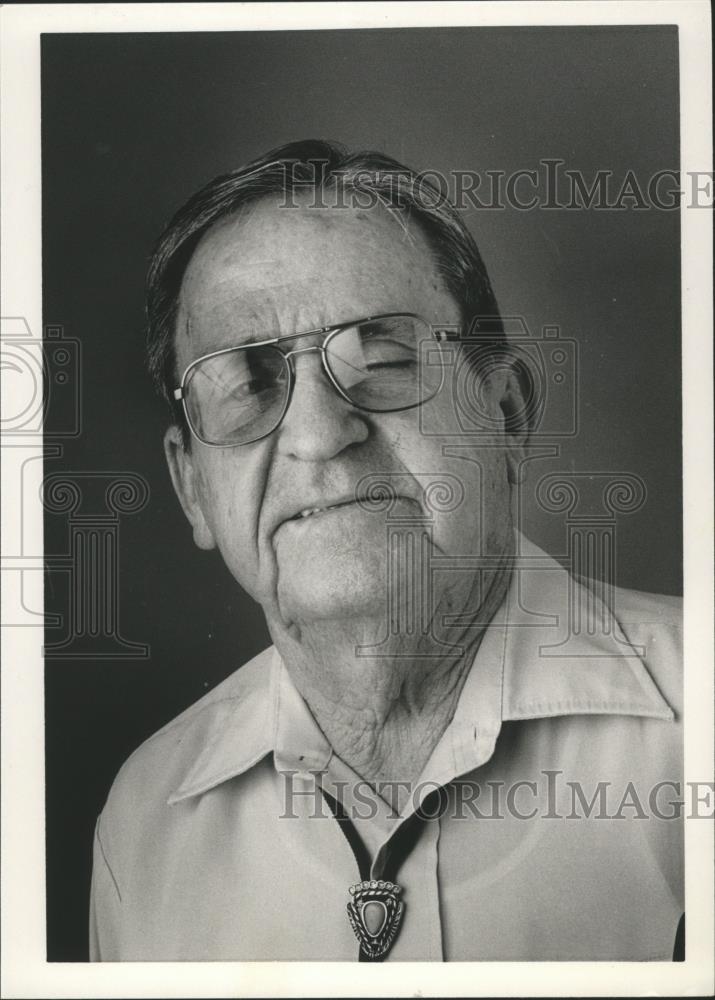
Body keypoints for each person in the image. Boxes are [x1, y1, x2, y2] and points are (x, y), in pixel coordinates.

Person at [89, 140, 683, 962]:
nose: (318, 435)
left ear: (504, 415)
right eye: (249, 384)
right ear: (193, 487)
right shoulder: (145, 819)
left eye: (384, 358)